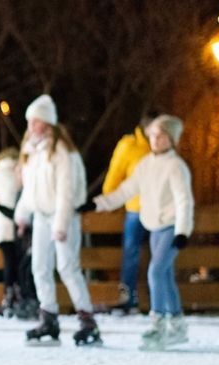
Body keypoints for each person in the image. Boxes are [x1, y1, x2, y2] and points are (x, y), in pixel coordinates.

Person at [83, 115, 193, 350]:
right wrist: (97, 204)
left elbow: (184, 201)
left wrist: (183, 231)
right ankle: (177, 325)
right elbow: (125, 191)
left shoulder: (175, 166)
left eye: (160, 136)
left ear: (171, 139)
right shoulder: (146, 164)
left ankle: (159, 324)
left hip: (172, 227)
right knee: (164, 275)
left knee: (155, 272)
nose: (155, 140)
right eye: (152, 135)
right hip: (154, 226)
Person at [13, 95, 101, 346]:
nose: (30, 126)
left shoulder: (63, 153)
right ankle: (49, 317)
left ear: (47, 124)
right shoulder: (32, 152)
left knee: (67, 267)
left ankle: (87, 320)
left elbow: (66, 192)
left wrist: (61, 225)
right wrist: (23, 215)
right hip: (41, 217)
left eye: (35, 121)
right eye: (29, 121)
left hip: (63, 217)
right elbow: (31, 190)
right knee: (39, 267)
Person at [101, 110, 159, 313]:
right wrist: (109, 198)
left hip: (160, 211)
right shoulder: (130, 146)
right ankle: (128, 297)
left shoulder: (163, 146)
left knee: (159, 256)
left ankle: (157, 299)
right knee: (131, 254)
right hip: (136, 209)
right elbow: (115, 174)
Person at [0, 148, 23, 316]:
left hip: (2, 223)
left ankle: (8, 296)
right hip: (20, 221)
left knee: (9, 262)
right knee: (20, 262)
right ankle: (19, 295)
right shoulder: (21, 168)